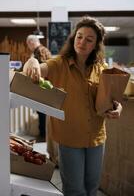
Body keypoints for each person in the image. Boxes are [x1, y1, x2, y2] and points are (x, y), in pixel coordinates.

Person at [23, 16, 122, 196]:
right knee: (74, 190)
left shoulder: (101, 69)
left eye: (89, 39)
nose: (82, 42)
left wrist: (117, 108)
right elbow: (39, 68)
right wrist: (32, 61)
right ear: (74, 37)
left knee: (92, 188)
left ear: (96, 45)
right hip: (69, 138)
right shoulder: (59, 63)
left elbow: (112, 100)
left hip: (96, 138)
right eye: (79, 36)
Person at [26, 34, 52, 141]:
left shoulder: (39, 52)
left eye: (28, 45)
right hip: (47, 87)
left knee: (42, 113)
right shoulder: (45, 50)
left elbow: (40, 72)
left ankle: (43, 137)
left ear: (31, 43)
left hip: (43, 88)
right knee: (44, 113)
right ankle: (45, 136)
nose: (29, 47)